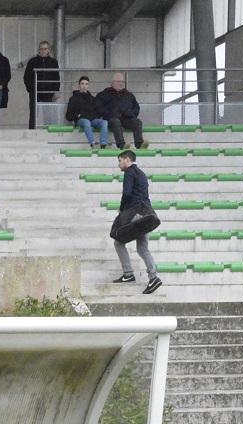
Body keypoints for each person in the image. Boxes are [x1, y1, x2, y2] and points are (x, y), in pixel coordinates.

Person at [112, 149, 161, 293]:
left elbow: (127, 193)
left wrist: (122, 210)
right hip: (146, 215)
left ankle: (128, 274)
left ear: (127, 160)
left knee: (118, 242)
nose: (119, 164)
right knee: (142, 248)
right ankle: (153, 277)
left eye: (120, 161)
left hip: (136, 215)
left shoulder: (129, 172)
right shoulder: (142, 173)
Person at [97, 74, 146, 150]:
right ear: (112, 83)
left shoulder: (129, 95)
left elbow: (136, 108)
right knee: (116, 122)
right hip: (111, 119)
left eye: (122, 81)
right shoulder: (103, 94)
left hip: (126, 118)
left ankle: (139, 144)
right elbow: (99, 108)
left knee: (137, 122)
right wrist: (111, 114)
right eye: (118, 81)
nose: (121, 83)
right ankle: (121, 144)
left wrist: (131, 114)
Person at [23, 41, 59, 130]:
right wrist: (31, 89)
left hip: (48, 92)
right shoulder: (32, 61)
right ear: (38, 50)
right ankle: (32, 133)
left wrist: (56, 91)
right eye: (41, 49)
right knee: (33, 114)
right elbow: (26, 77)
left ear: (48, 50)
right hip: (35, 92)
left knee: (48, 114)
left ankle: (47, 132)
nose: (43, 51)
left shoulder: (53, 62)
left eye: (45, 49)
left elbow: (56, 77)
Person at [65, 76, 109, 149]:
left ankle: (103, 143)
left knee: (104, 122)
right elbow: (68, 115)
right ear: (79, 85)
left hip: (92, 119)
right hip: (81, 120)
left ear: (88, 85)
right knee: (86, 122)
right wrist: (77, 116)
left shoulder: (92, 98)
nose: (84, 86)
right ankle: (93, 143)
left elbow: (96, 112)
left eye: (86, 84)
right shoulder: (73, 99)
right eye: (82, 84)